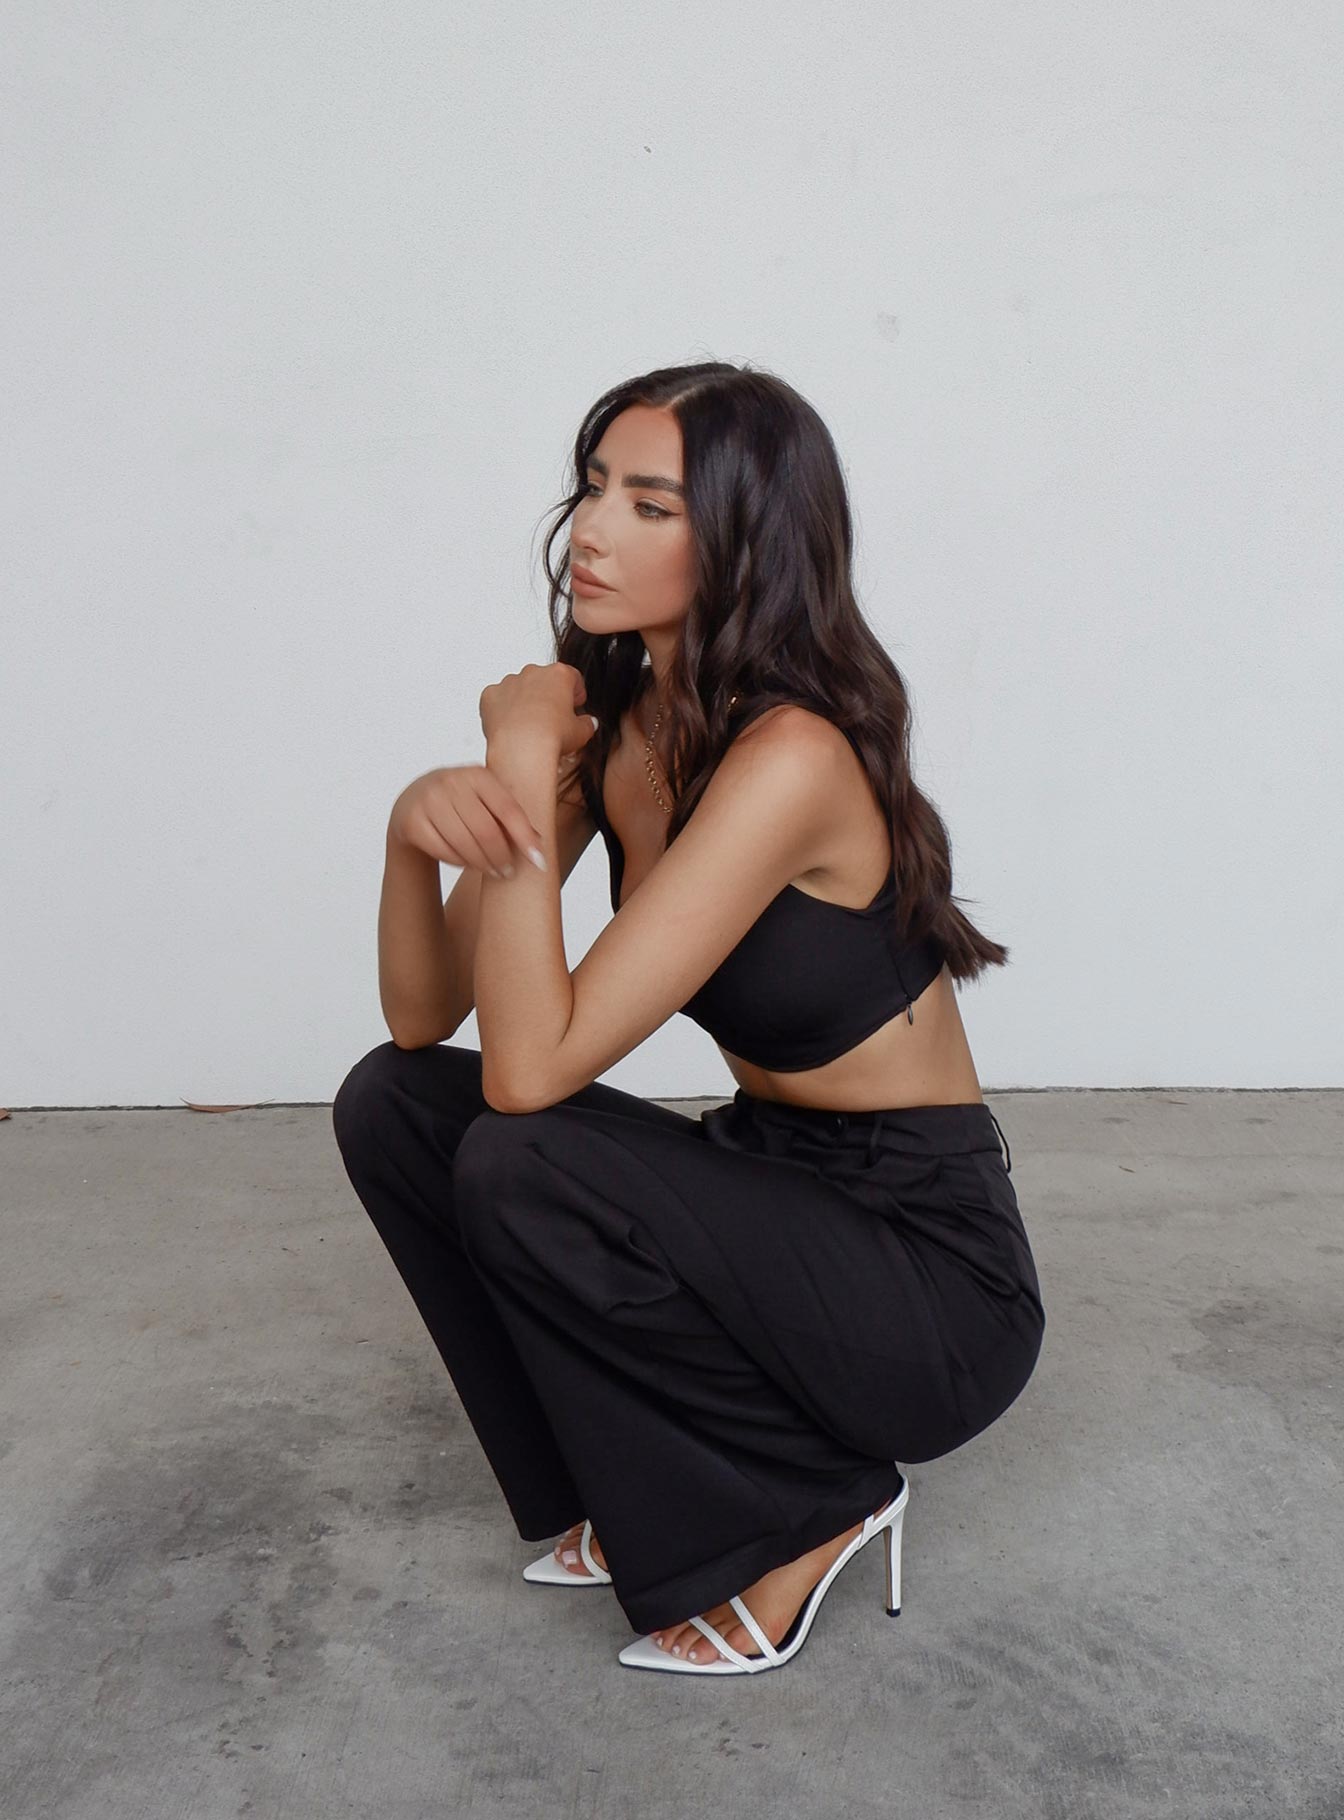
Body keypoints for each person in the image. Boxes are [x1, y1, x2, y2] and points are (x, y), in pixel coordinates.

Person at [332, 360, 1046, 1678]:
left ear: (747, 540)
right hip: (775, 1187)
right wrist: (405, 841)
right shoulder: (625, 730)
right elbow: (425, 1019)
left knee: (522, 1151)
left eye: (652, 505)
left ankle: (810, 1506)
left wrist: (517, 756)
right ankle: (623, 1490)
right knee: (394, 1107)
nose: (593, 531)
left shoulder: (792, 756)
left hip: (927, 1278)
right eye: (594, 487)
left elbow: (531, 1074)